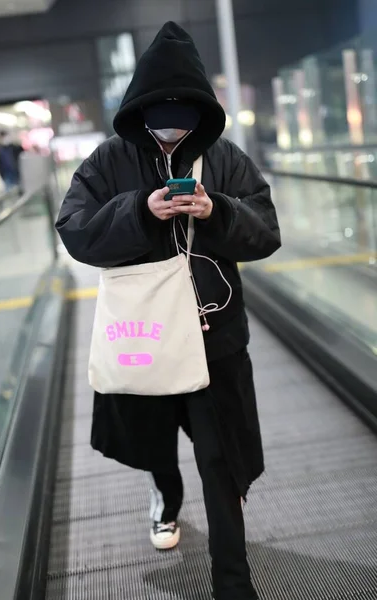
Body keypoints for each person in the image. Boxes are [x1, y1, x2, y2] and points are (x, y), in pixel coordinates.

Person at [56, 21, 281, 600]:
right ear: (140, 110)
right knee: (157, 446)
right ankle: (167, 498)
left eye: (183, 113)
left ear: (204, 112)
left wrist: (216, 211)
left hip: (213, 342)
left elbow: (266, 233)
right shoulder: (109, 162)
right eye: (159, 113)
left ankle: (233, 583)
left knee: (220, 460)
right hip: (144, 338)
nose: (171, 127)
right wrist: (139, 210)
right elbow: (76, 232)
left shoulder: (225, 160)